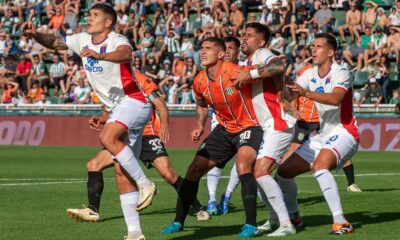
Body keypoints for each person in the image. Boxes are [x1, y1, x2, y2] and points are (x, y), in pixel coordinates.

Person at [22, 4, 156, 240]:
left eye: (95, 15)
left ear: (108, 22)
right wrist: (34, 35)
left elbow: (126, 54)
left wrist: (101, 55)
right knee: (121, 171)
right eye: (89, 14)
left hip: (134, 101)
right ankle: (135, 233)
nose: (89, 18)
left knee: (106, 138)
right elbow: (55, 43)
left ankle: (146, 183)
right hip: (118, 109)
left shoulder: (117, 39)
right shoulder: (82, 39)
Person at [66, 69, 210, 222]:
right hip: (124, 136)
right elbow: (110, 112)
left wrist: (164, 125)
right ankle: (92, 210)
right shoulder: (109, 84)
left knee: (168, 174)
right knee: (93, 165)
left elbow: (160, 104)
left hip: (147, 134)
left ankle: (198, 208)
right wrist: (100, 119)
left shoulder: (141, 79)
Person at [161, 37, 263, 238]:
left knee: (243, 165)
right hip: (223, 130)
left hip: (249, 126)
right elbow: (201, 105)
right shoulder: (199, 80)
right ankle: (178, 221)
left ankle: (251, 224)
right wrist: (200, 125)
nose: (203, 52)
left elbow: (273, 69)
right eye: (202, 49)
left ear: (221, 54)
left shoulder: (235, 71)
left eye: (208, 49)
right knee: (193, 170)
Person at [278, 33, 359, 235]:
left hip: (345, 131)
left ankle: (341, 222)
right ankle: (294, 216)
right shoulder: (309, 73)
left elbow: (335, 99)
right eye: (312, 46)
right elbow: (292, 95)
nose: (313, 50)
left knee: (319, 166)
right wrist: (282, 81)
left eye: (319, 46)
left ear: (330, 52)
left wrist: (305, 93)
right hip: (321, 134)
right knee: (282, 173)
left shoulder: (341, 71)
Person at [231, 22, 297, 236]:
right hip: (266, 126)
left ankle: (286, 224)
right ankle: (274, 218)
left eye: (249, 35)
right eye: (243, 34)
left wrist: (248, 76)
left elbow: (278, 66)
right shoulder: (250, 60)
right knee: (256, 173)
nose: (244, 38)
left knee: (260, 171)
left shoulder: (262, 53)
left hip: (278, 123)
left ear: (261, 42)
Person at [206, 36, 241, 215]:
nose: (226, 52)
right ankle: (211, 199)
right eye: (224, 48)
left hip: (244, 123)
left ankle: (226, 196)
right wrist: (199, 123)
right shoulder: (210, 73)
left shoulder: (241, 72)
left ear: (237, 51)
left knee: (242, 161)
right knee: (215, 161)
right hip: (220, 122)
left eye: (231, 48)